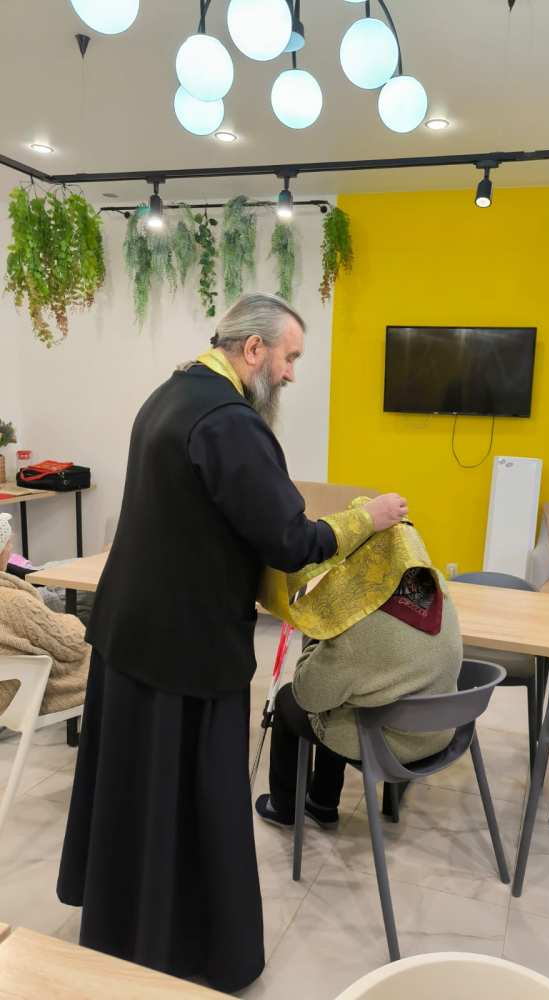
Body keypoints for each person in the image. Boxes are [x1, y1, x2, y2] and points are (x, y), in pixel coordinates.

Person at [56, 293, 408, 994]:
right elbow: (290, 539)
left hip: (133, 632)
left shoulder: (169, 395)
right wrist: (367, 518)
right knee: (193, 798)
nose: (292, 373)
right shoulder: (228, 421)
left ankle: (127, 930)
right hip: (186, 647)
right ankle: (196, 951)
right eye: (290, 357)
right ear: (254, 350)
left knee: (138, 791)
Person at [254, 512, 463, 828]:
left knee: (290, 700)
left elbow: (308, 695)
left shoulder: (359, 623)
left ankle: (283, 807)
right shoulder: (439, 589)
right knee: (351, 691)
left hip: (392, 743)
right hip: (440, 731)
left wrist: (321, 634)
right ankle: (321, 802)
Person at [0, 513, 89, 718]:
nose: (11, 549)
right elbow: (72, 646)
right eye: (9, 543)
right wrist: (71, 621)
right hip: (18, 695)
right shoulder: (14, 602)